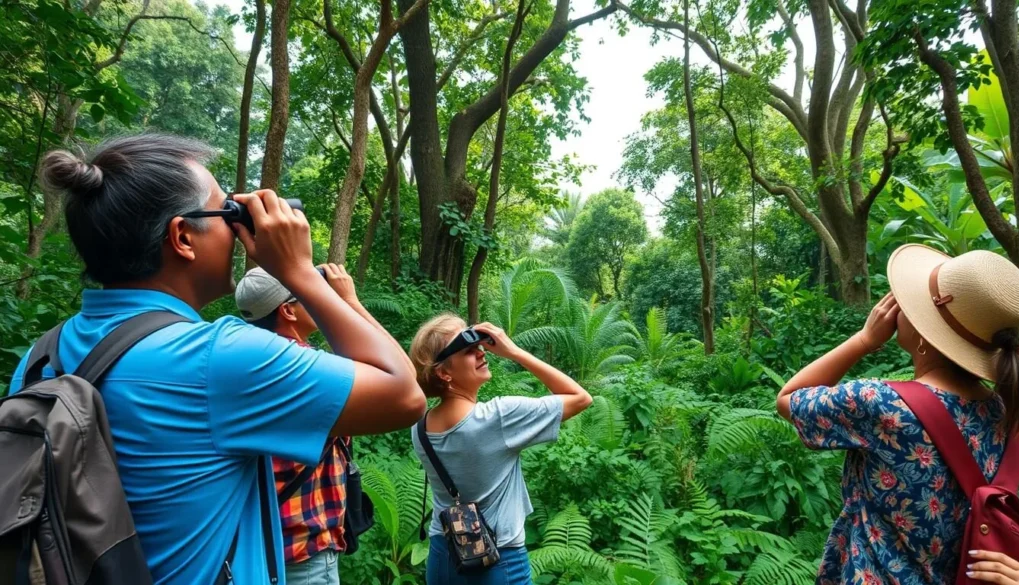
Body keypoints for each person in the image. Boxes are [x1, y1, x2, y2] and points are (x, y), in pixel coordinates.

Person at [8, 134, 426, 585]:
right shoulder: (219, 358)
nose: (238, 228)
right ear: (183, 237)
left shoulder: (41, 356)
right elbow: (405, 396)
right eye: (226, 211)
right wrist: (301, 272)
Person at [776, 243, 1019, 584]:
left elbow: (789, 399)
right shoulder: (1008, 414)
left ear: (924, 335)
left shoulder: (881, 404)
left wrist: (864, 340)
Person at [235, 263, 413, 585]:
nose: (322, 298)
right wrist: (350, 304)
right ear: (288, 311)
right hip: (304, 557)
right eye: (310, 294)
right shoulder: (307, 376)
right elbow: (405, 383)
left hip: (260, 547)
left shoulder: (250, 367)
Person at [408, 315, 593, 585]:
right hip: (497, 559)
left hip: (443, 556)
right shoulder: (498, 417)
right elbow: (580, 398)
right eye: (468, 350)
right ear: (443, 372)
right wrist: (513, 351)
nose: (481, 352)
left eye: (479, 346)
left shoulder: (420, 426)